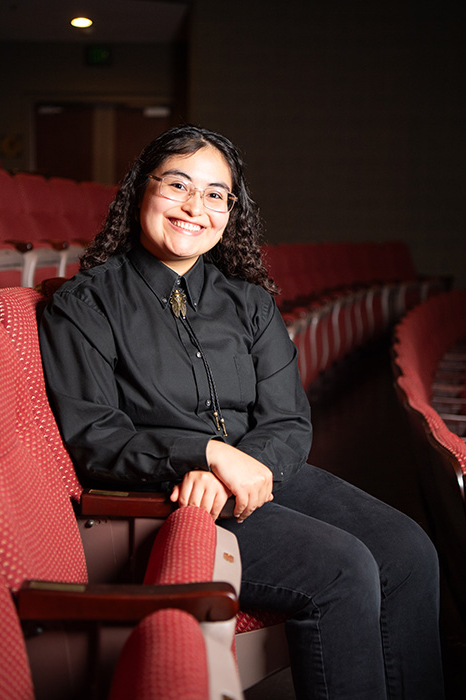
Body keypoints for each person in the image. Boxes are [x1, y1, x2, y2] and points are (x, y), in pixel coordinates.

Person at [39, 125, 444, 699]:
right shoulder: (85, 303)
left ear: (230, 210)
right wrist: (205, 454)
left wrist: (241, 466)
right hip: (165, 498)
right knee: (341, 569)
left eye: (213, 194)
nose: (194, 207)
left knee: (409, 551)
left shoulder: (248, 301)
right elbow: (95, 435)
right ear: (140, 192)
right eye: (177, 185)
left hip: (257, 477)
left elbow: (288, 419)